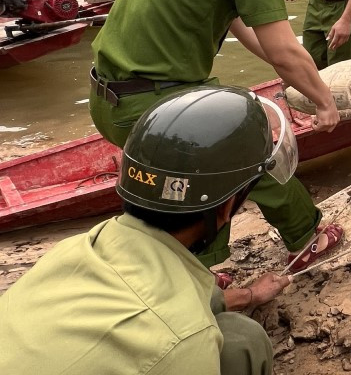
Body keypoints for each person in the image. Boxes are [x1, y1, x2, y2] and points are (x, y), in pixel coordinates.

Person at [89, 0, 343, 281]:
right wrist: (324, 100)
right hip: (146, 103)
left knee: (194, 170)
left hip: (110, 97)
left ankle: (187, 268)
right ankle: (305, 237)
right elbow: (283, 49)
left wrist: (292, 72)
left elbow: (241, 25)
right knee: (245, 150)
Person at [0, 87, 295, 374]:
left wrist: (249, 295)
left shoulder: (77, 248)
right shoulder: (185, 342)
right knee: (240, 341)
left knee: (237, 337)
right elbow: (178, 332)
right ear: (225, 206)